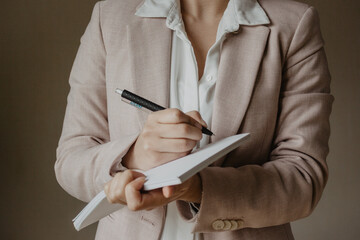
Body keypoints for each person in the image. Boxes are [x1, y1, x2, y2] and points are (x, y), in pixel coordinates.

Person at [55, 0, 334, 239]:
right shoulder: (111, 17)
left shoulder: (294, 23)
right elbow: (71, 160)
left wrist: (197, 188)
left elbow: (303, 178)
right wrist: (132, 157)